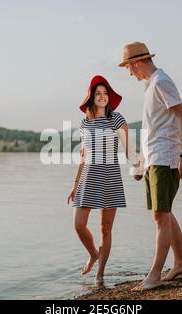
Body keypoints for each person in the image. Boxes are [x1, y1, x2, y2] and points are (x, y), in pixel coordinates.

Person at [119, 42, 182, 291]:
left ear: (137, 62)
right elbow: (155, 127)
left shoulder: (161, 81)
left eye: (129, 67)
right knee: (164, 212)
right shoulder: (150, 85)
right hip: (154, 158)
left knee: (160, 215)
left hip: (166, 157)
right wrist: (142, 161)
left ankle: (154, 275)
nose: (130, 73)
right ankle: (181, 262)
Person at [67, 75, 139, 285]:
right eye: (98, 93)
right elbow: (83, 155)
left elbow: (128, 151)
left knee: (105, 229)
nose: (102, 96)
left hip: (110, 176)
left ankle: (100, 274)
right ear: (91, 97)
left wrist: (138, 165)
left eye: (105, 93)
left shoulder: (117, 119)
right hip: (88, 176)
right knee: (78, 225)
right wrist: (75, 184)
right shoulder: (84, 122)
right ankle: (93, 253)